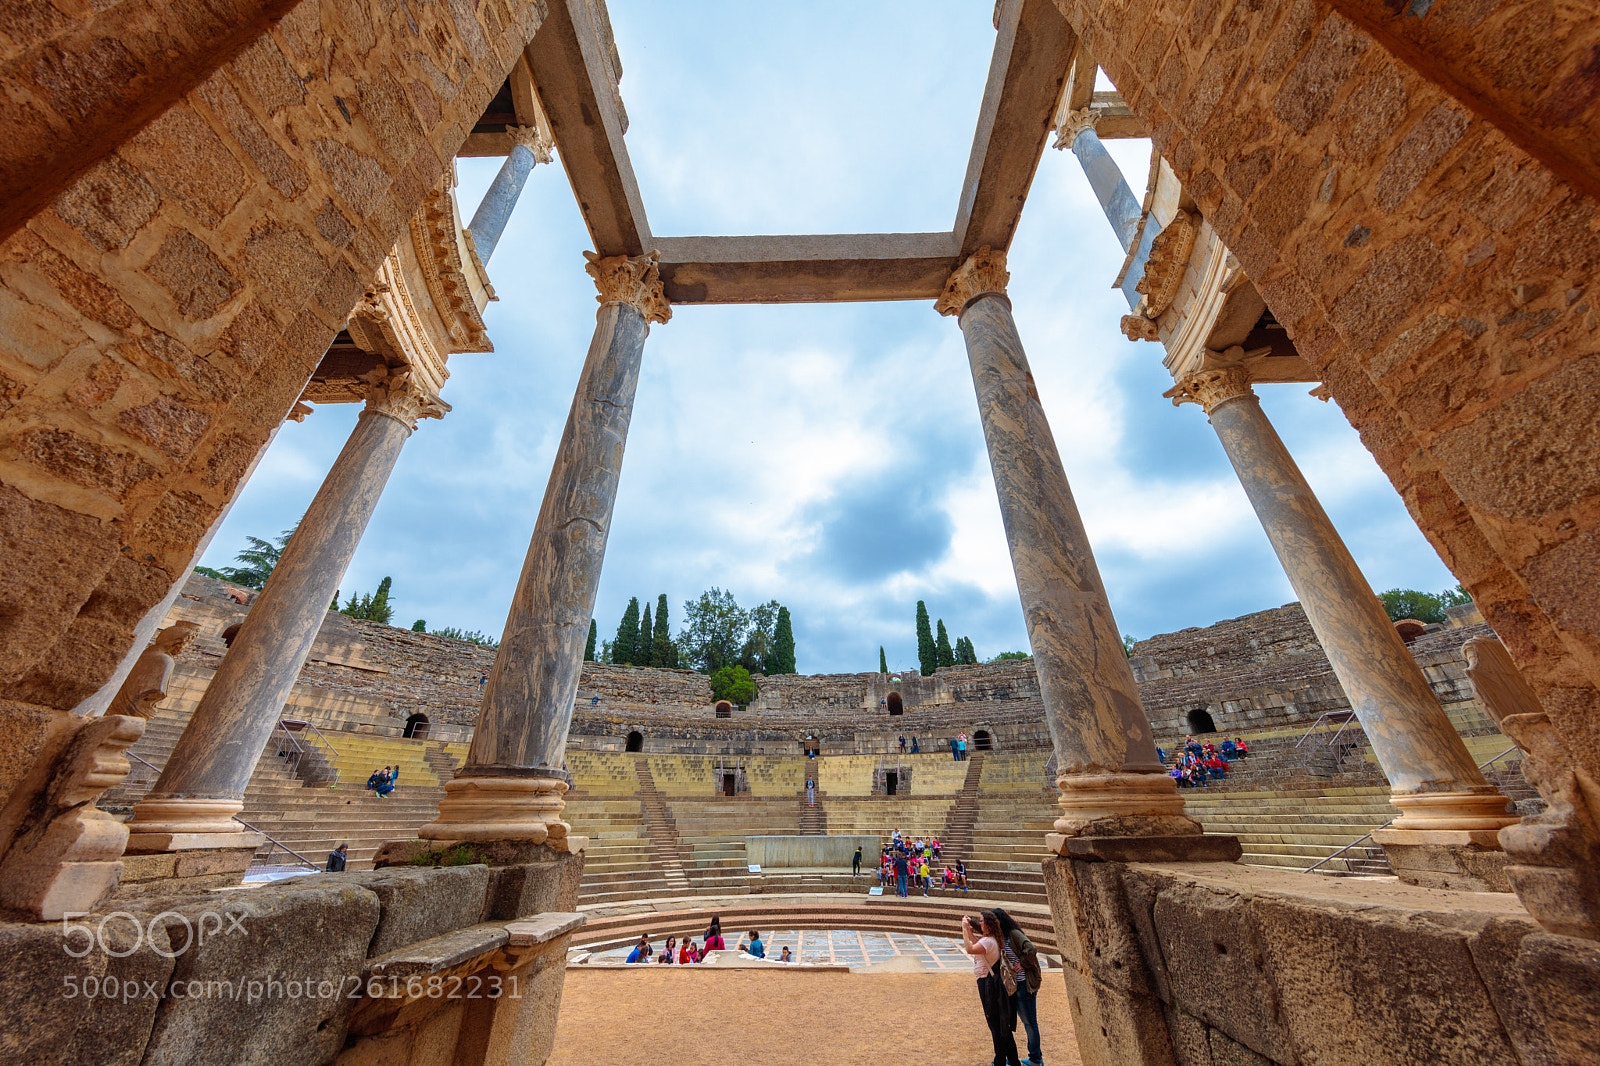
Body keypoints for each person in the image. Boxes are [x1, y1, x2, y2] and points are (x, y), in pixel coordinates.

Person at [963, 912, 1021, 1066]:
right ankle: (1010, 1060)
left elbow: (969, 948)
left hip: (988, 984)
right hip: (992, 983)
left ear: (987, 924)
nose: (979, 923)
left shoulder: (988, 941)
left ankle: (1001, 1060)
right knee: (1001, 1025)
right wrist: (969, 930)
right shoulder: (991, 939)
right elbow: (977, 945)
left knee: (995, 1024)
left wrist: (963, 928)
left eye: (981, 921)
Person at [994, 908, 1043, 1066]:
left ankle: (1036, 1059)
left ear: (1001, 920)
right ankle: (1034, 1057)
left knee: (1030, 1023)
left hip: (1023, 984)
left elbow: (1031, 949)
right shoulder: (1003, 935)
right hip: (1015, 986)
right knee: (1025, 1022)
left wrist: (1021, 964)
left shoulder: (1013, 934)